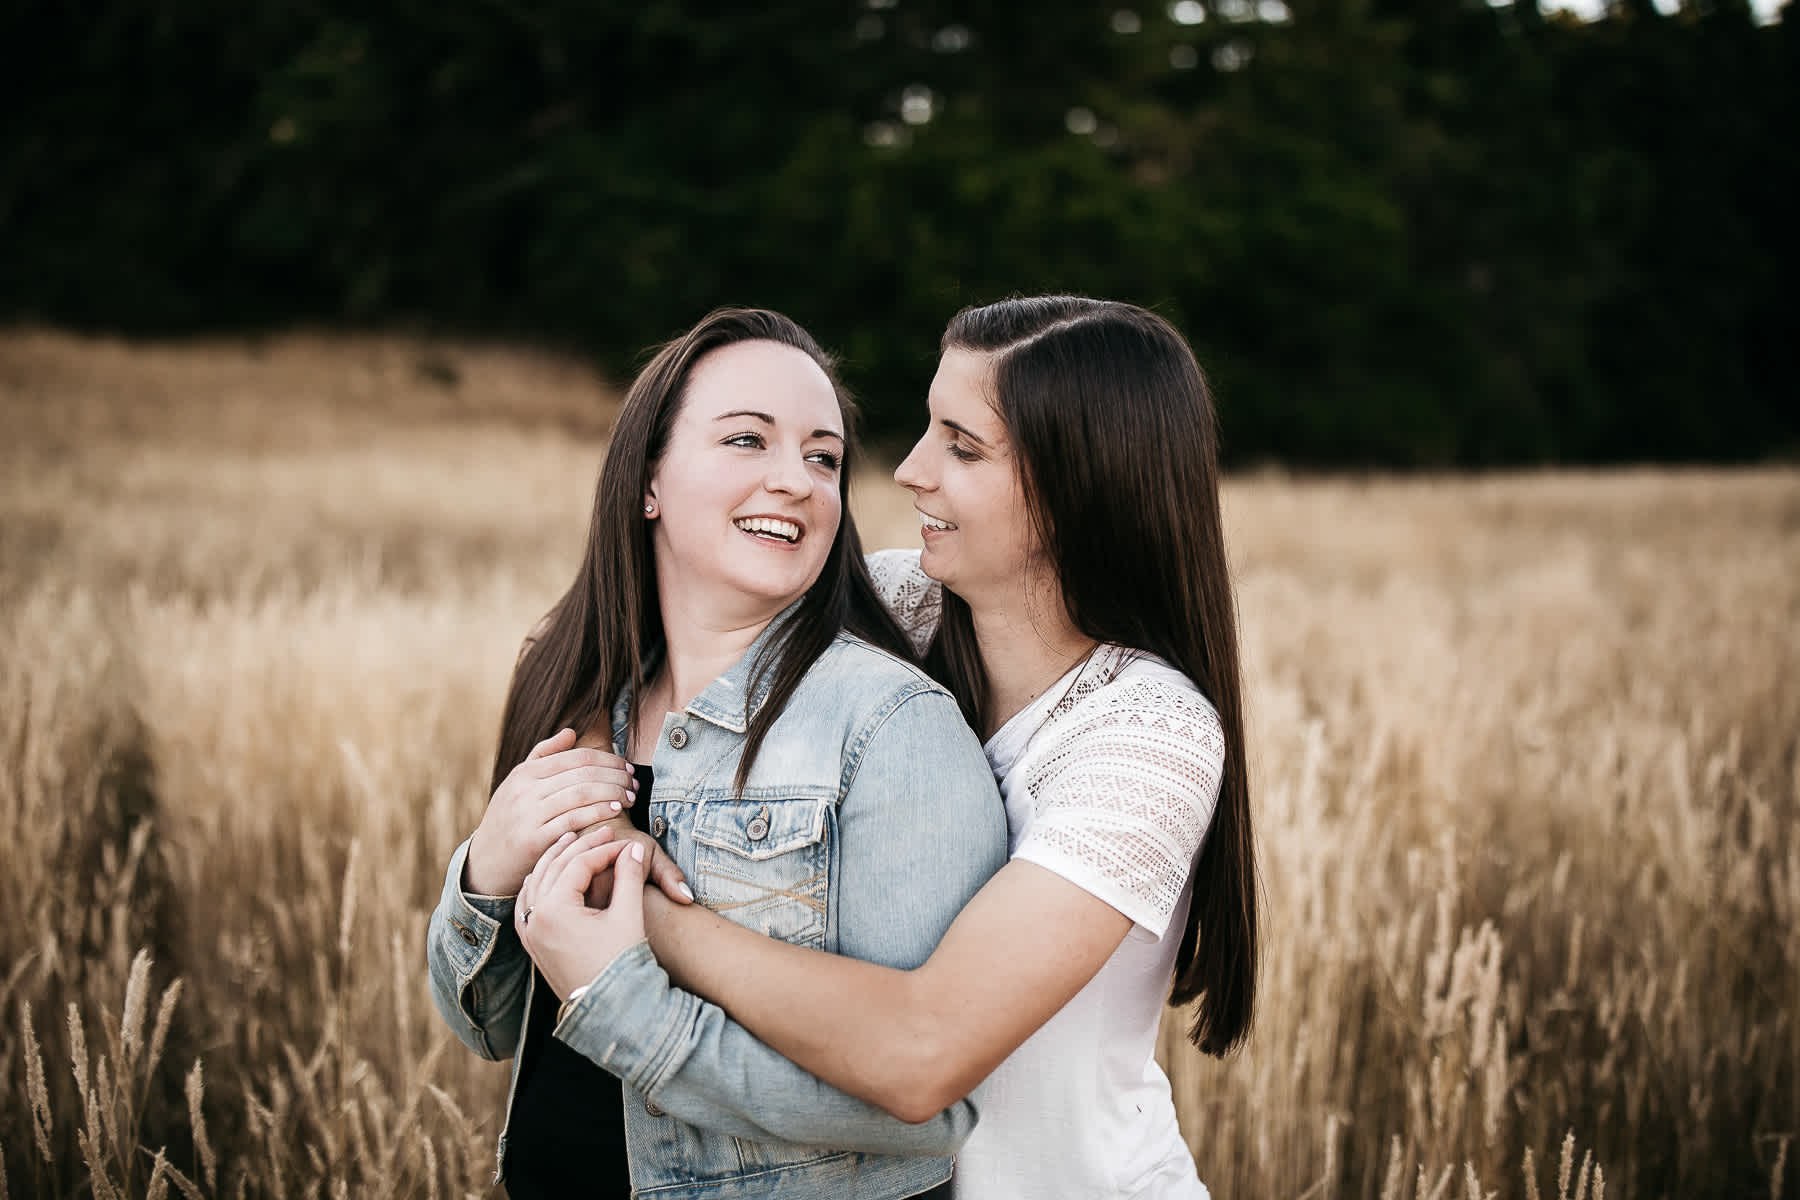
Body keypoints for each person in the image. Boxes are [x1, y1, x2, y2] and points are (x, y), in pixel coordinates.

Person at [562, 295, 1258, 1198]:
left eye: (962, 448)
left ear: (1080, 484)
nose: (908, 471)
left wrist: (638, 912)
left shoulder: (1147, 735)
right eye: (928, 430)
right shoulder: (899, 604)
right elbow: (647, 641)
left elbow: (924, 1050)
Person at [425, 307, 1008, 1200]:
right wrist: (488, 872)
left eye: (823, 457)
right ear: (648, 479)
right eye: (748, 440)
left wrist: (623, 1004)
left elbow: (919, 1109)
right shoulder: (579, 692)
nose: (797, 481)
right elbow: (491, 1030)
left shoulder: (891, 727)